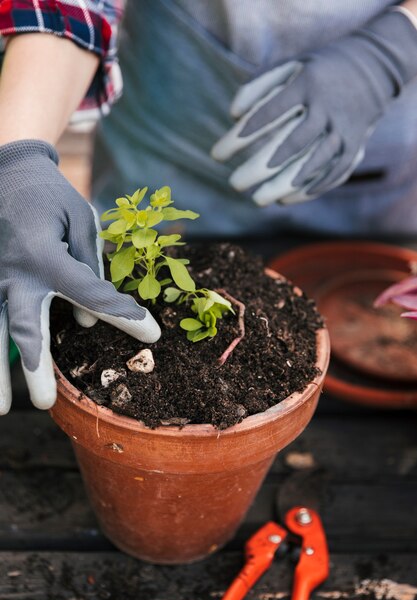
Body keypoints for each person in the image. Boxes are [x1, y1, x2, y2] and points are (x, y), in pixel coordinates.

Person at [1, 0, 417, 414]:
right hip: (170, 127)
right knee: (116, 279)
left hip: (369, 167)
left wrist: (393, 49)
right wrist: (18, 156)